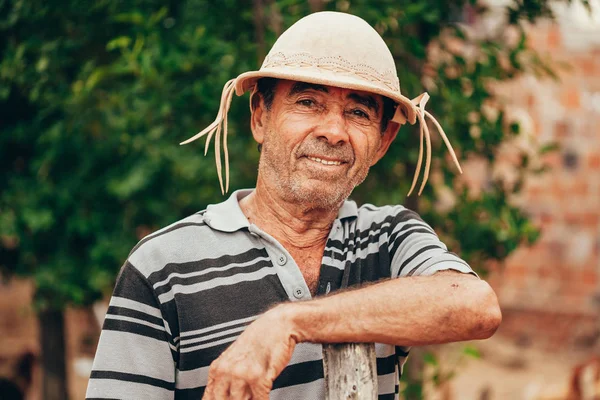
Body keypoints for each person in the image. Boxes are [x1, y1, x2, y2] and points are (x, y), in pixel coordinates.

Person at [86, 11, 501, 400]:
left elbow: (474, 305)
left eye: (358, 112)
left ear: (383, 142)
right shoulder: (162, 266)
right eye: (308, 103)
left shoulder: (388, 238)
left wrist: (287, 322)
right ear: (260, 117)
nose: (334, 132)